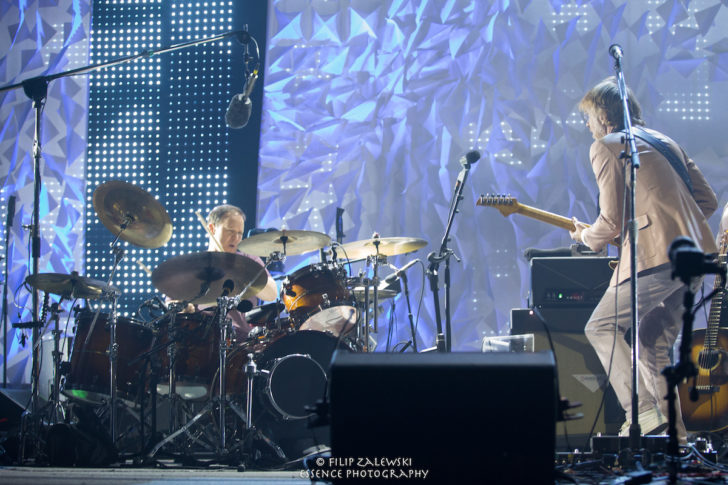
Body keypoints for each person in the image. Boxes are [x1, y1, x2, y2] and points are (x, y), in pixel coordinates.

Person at [569, 77, 718, 441]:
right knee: (652, 342)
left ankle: (642, 410)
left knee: (600, 327)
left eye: (588, 117)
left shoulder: (605, 147)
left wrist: (587, 237)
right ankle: (676, 444)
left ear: (604, 115)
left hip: (657, 259)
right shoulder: (666, 142)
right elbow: (708, 202)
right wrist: (658, 223)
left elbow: (609, 221)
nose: (587, 126)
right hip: (695, 256)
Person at [176, 204, 277, 340]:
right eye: (230, 231)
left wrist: (244, 273)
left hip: (242, 342)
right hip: (203, 338)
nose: (236, 238)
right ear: (212, 228)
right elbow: (172, 303)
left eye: (240, 233)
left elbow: (271, 294)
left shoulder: (249, 260)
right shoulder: (193, 265)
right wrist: (183, 307)